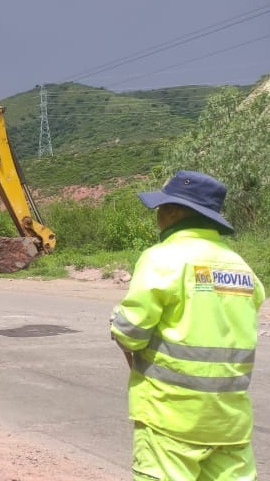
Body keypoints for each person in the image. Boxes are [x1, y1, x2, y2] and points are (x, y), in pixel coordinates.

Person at [110, 170, 265, 480]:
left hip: (169, 419)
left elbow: (131, 332)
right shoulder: (241, 267)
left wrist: (117, 321)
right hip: (229, 424)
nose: (158, 215)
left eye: (162, 208)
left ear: (176, 212)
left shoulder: (162, 258)